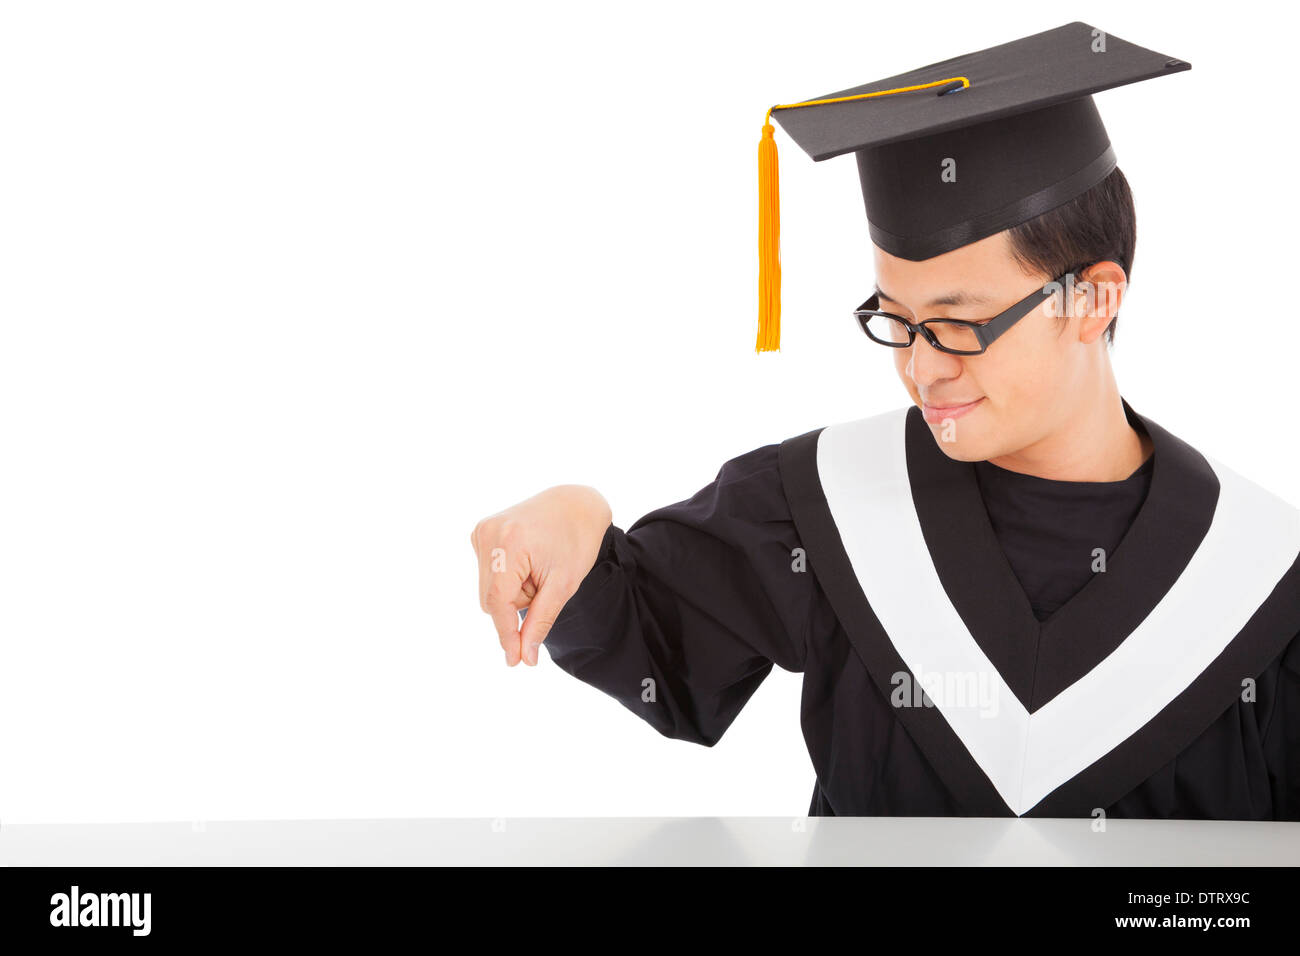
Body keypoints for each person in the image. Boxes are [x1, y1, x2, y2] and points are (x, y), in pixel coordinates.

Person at [469, 22, 1300, 818]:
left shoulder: (1262, 577)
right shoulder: (822, 506)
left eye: (959, 323)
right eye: (894, 319)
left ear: (1093, 298)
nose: (920, 366)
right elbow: (657, 649)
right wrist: (575, 518)